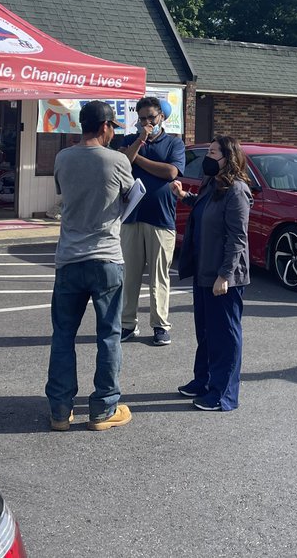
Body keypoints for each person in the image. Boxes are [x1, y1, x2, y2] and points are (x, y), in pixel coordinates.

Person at [45, 101, 136, 431]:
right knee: (108, 335)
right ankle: (103, 408)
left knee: (63, 335)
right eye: (112, 126)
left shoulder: (62, 158)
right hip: (107, 257)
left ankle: (59, 410)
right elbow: (129, 197)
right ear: (105, 127)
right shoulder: (117, 161)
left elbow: (64, 194)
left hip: (69, 257)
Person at [170, 135, 252, 411]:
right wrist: (185, 197)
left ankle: (223, 394)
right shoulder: (212, 184)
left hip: (224, 278)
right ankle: (202, 381)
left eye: (214, 152)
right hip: (204, 272)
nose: (208, 156)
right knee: (205, 332)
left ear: (228, 159)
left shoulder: (237, 191)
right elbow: (206, 208)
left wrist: (225, 275)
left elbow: (237, 238)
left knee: (225, 336)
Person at [118, 96, 186, 346]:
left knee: (159, 276)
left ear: (162, 118)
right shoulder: (129, 141)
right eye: (142, 118)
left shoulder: (173, 144)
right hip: (131, 216)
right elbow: (123, 163)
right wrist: (138, 143)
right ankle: (127, 324)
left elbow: (170, 172)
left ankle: (160, 325)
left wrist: (137, 159)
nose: (147, 122)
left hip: (161, 218)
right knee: (131, 275)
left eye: (151, 118)